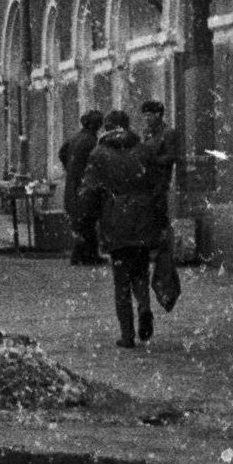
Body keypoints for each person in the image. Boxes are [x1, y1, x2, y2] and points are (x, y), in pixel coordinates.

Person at [79, 112, 164, 346]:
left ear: (106, 127)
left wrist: (88, 221)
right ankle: (145, 307)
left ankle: (127, 335)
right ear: (127, 126)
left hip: (115, 220)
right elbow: (158, 187)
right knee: (140, 271)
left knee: (121, 278)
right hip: (143, 219)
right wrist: (159, 221)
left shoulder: (98, 154)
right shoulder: (144, 151)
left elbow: (90, 192)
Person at [136, 99, 183, 312]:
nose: (146, 117)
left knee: (160, 232)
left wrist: (151, 160)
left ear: (159, 115)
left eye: (150, 114)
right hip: (146, 188)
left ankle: (165, 280)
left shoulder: (168, 133)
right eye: (144, 114)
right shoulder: (147, 134)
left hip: (159, 189)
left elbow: (172, 157)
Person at [59, 109, 109, 265]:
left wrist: (70, 168)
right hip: (85, 186)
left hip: (73, 185)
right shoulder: (92, 141)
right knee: (88, 222)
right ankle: (87, 256)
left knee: (82, 223)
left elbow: (62, 153)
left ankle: (81, 256)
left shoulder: (75, 137)